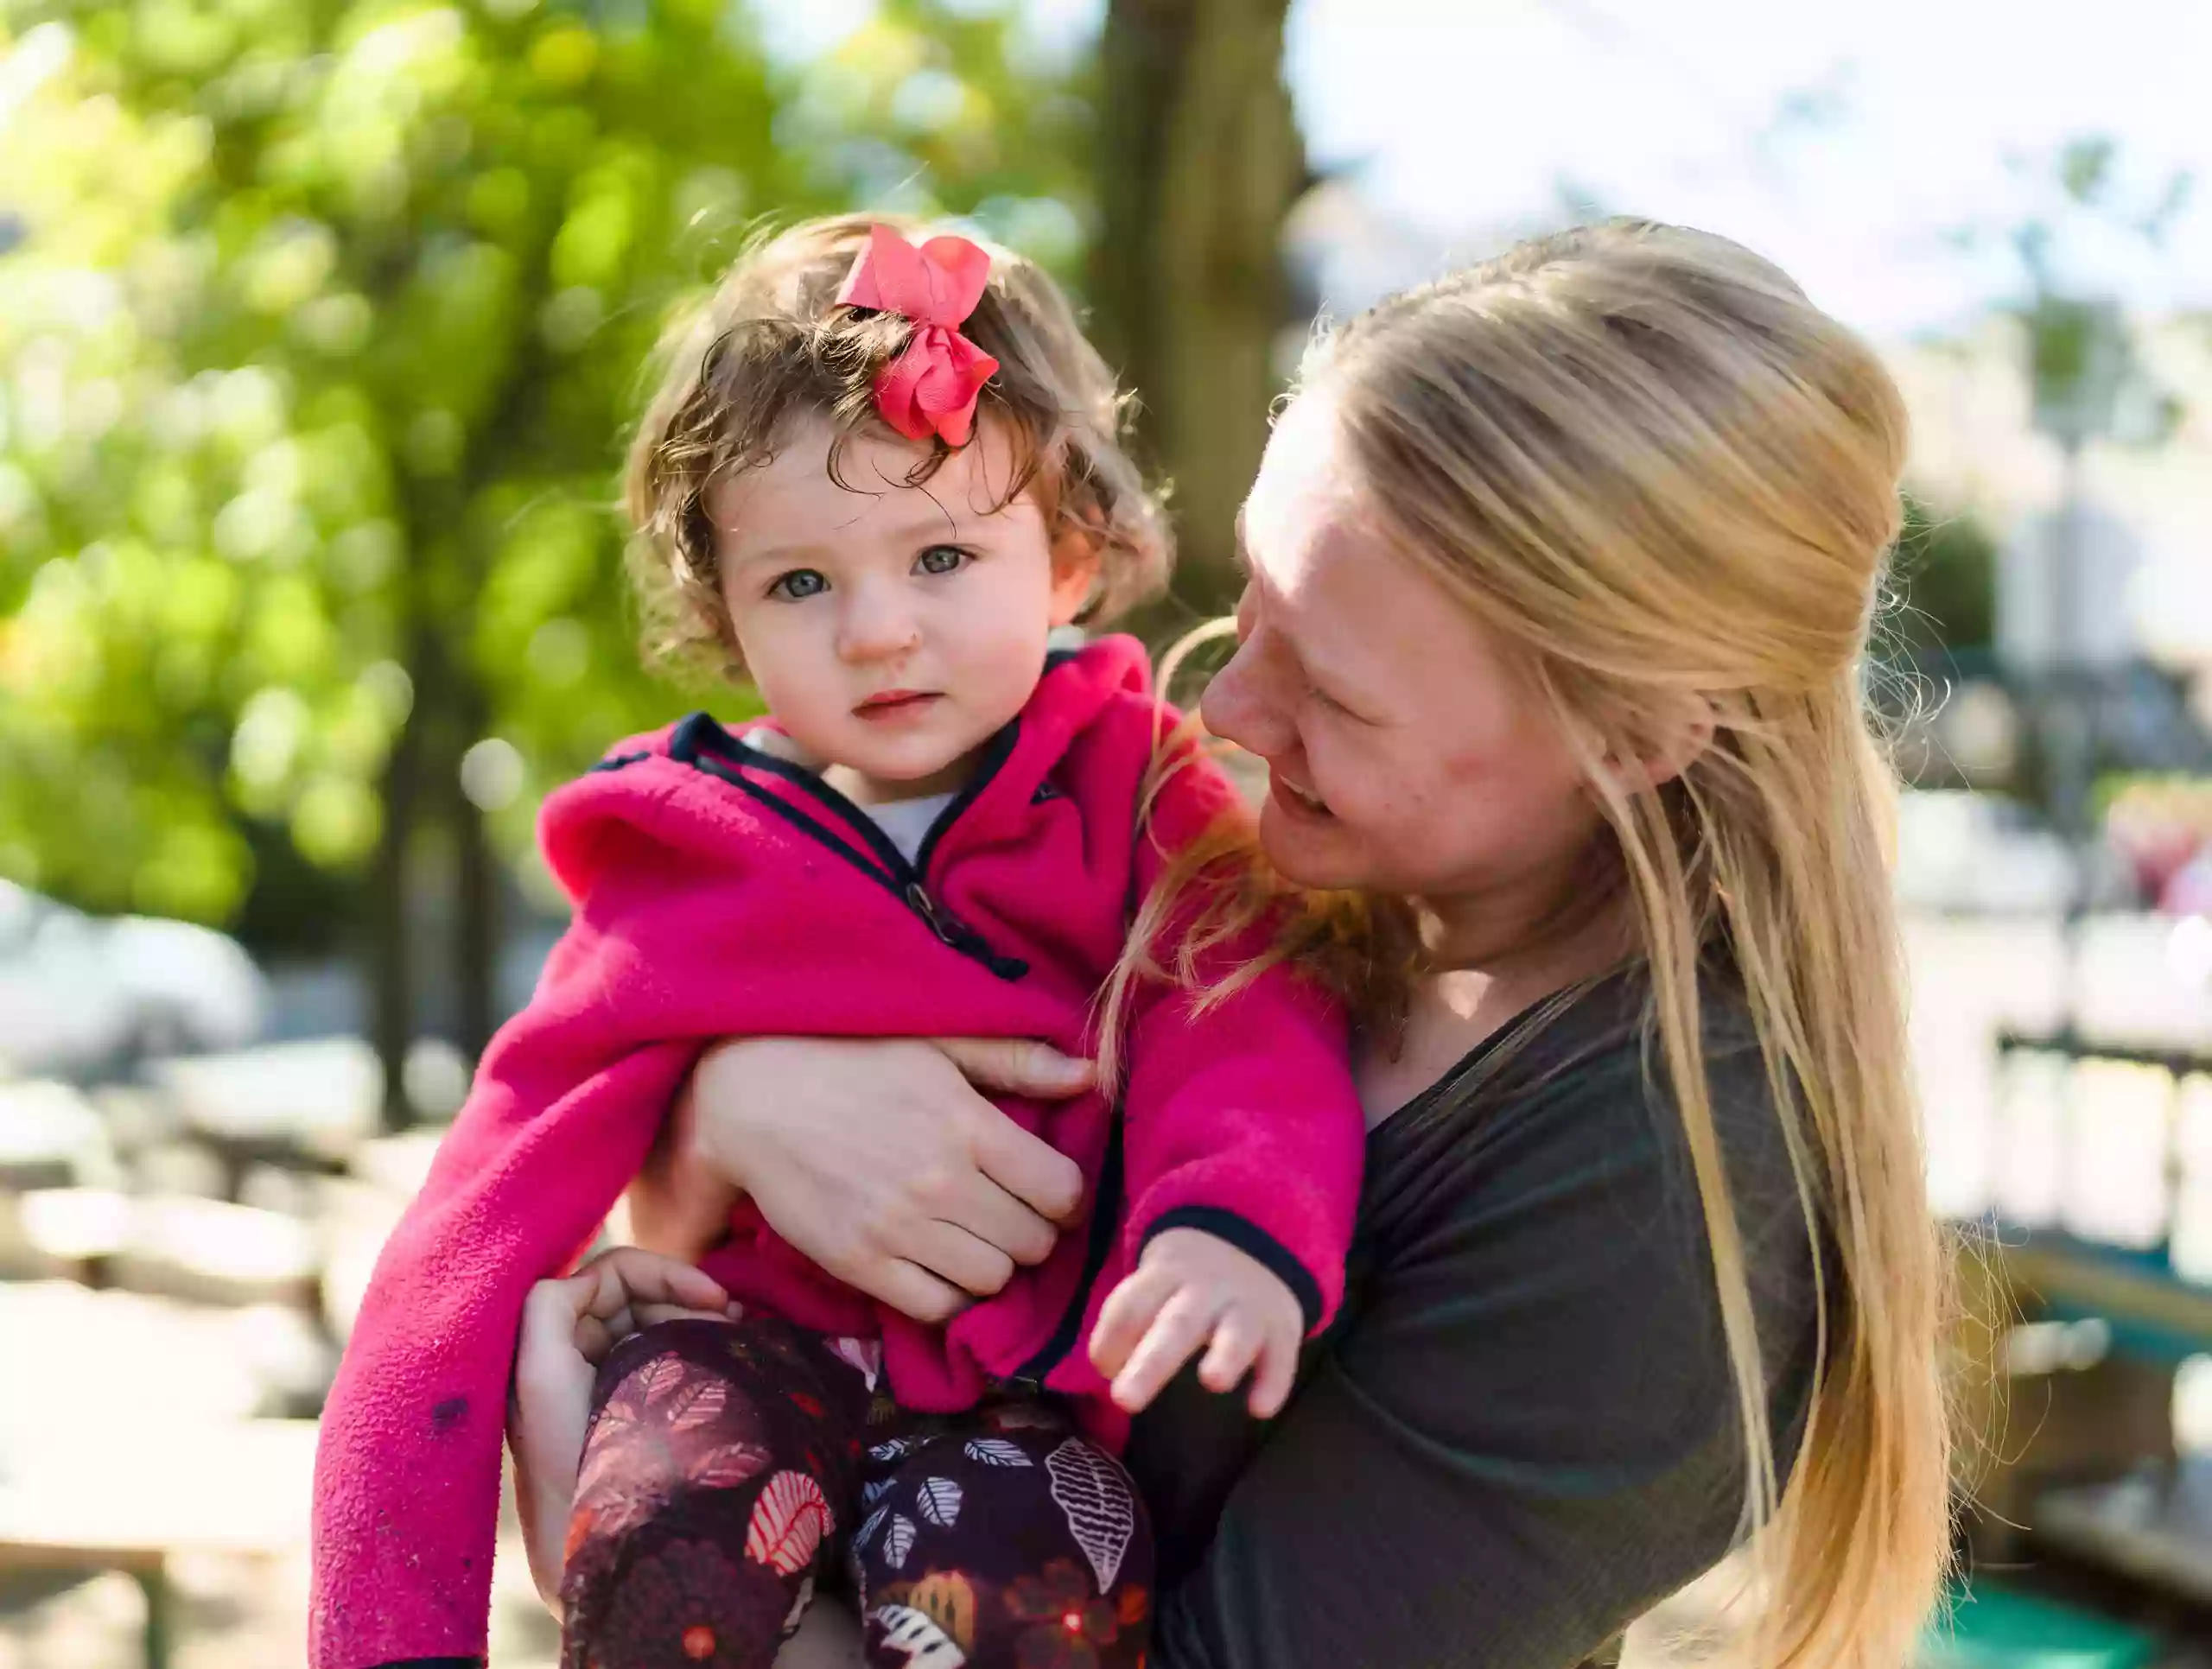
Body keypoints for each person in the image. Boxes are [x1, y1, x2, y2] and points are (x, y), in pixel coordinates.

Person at [518, 219, 1956, 1669]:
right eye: (1255, 601)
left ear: (1632, 735)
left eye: (1335, 690)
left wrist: (640, 1571)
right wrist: (724, 1118)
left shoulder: (1668, 1200)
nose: (1232, 713)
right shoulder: (1252, 869)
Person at [309, 216, 1371, 1669]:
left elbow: (1248, 1025)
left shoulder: (1137, 793)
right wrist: (392, 1634)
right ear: (726, 615)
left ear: (1066, 558)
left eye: (941, 555)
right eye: (801, 583)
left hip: (1023, 1404)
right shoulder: (681, 851)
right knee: (657, 1554)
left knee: (1021, 1614)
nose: (878, 632)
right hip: (740, 1350)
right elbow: (474, 1223)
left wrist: (1233, 1227)